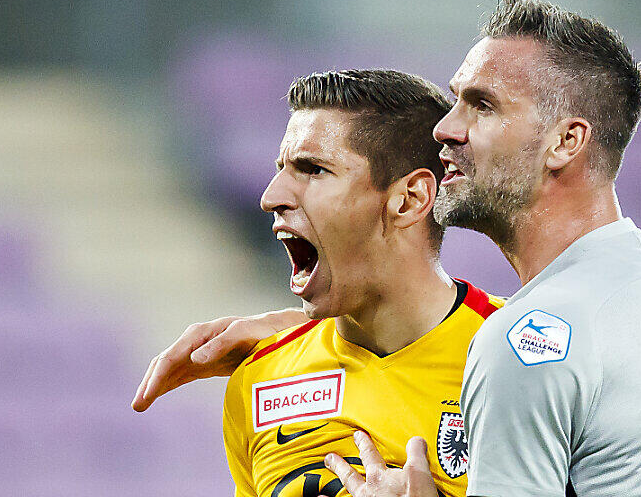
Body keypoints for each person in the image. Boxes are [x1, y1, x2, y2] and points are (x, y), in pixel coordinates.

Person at [134, 0, 641, 497]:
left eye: (481, 105)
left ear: (564, 142)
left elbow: (546, 348)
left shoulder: (521, 347)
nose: (447, 126)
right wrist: (293, 330)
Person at [201, 68, 505, 497]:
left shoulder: (522, 357)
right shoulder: (259, 380)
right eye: (281, 169)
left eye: (312, 169)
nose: (271, 196)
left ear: (410, 199)